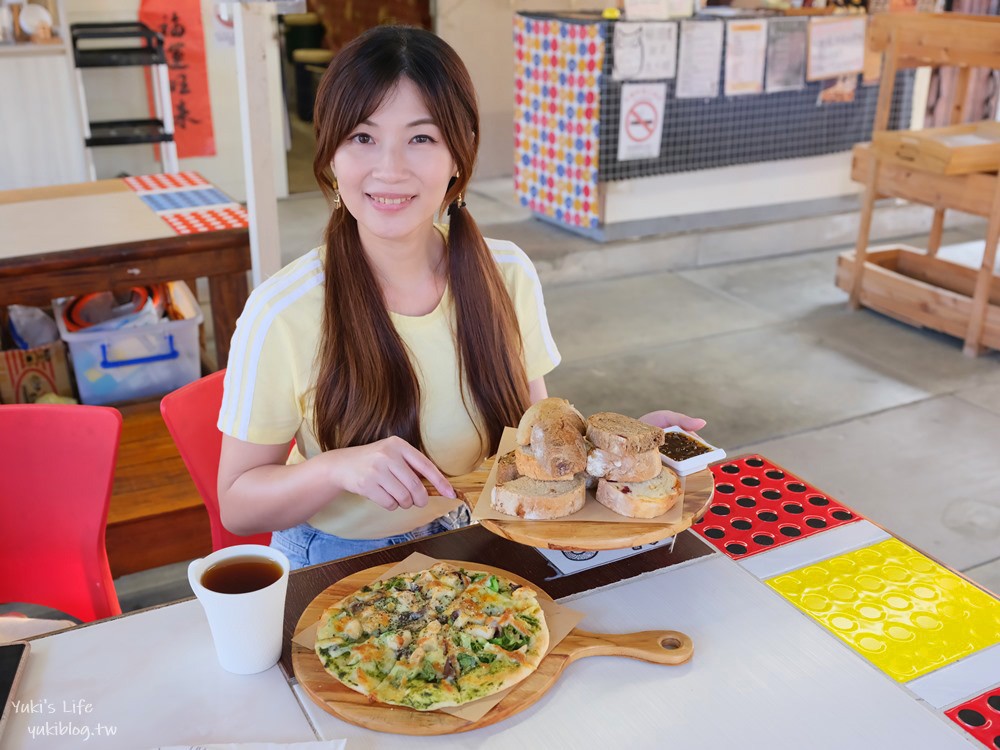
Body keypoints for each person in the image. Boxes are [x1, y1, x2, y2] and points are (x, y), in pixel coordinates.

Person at [216, 25, 705, 568]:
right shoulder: (280, 311)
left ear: (459, 153)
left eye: (421, 138)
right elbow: (237, 503)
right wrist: (335, 467)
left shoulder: (506, 272)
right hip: (337, 557)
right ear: (331, 152)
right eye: (362, 137)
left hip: (481, 527)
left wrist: (621, 450)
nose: (390, 168)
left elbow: (530, 441)